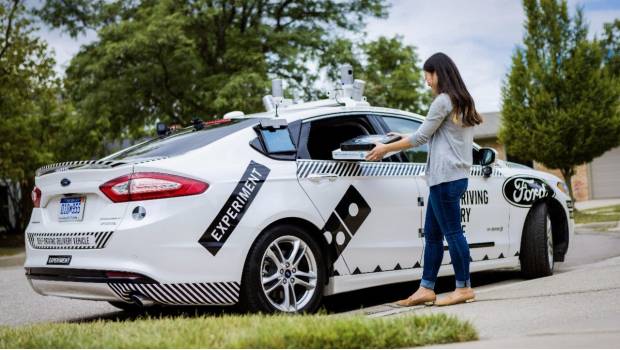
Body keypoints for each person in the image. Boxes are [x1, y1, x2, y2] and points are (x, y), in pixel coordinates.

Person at [365, 52, 483, 306]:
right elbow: (432, 133)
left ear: (438, 73)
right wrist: (400, 136)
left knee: (452, 233)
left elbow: (420, 138)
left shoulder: (442, 100)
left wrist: (385, 149)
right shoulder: (462, 100)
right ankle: (426, 288)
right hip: (451, 177)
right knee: (432, 234)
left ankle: (464, 288)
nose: (427, 81)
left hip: (445, 178)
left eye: (428, 76)